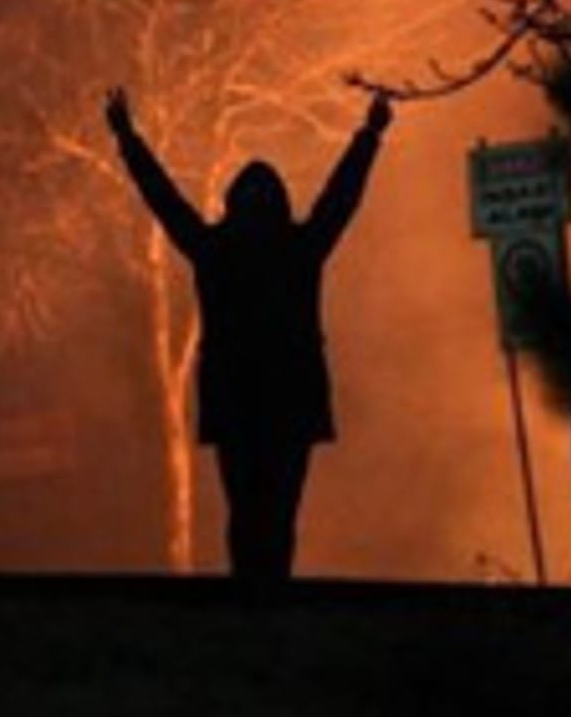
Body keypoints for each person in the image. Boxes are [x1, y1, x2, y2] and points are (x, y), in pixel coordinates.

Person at [104, 86, 393, 581]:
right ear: (280, 202)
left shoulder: (215, 250)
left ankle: (247, 592)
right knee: (281, 507)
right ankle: (274, 591)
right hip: (291, 398)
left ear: (232, 204)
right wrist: (368, 135)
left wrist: (129, 140)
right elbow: (341, 198)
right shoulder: (300, 248)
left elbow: (165, 200)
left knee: (244, 506)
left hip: (235, 397)